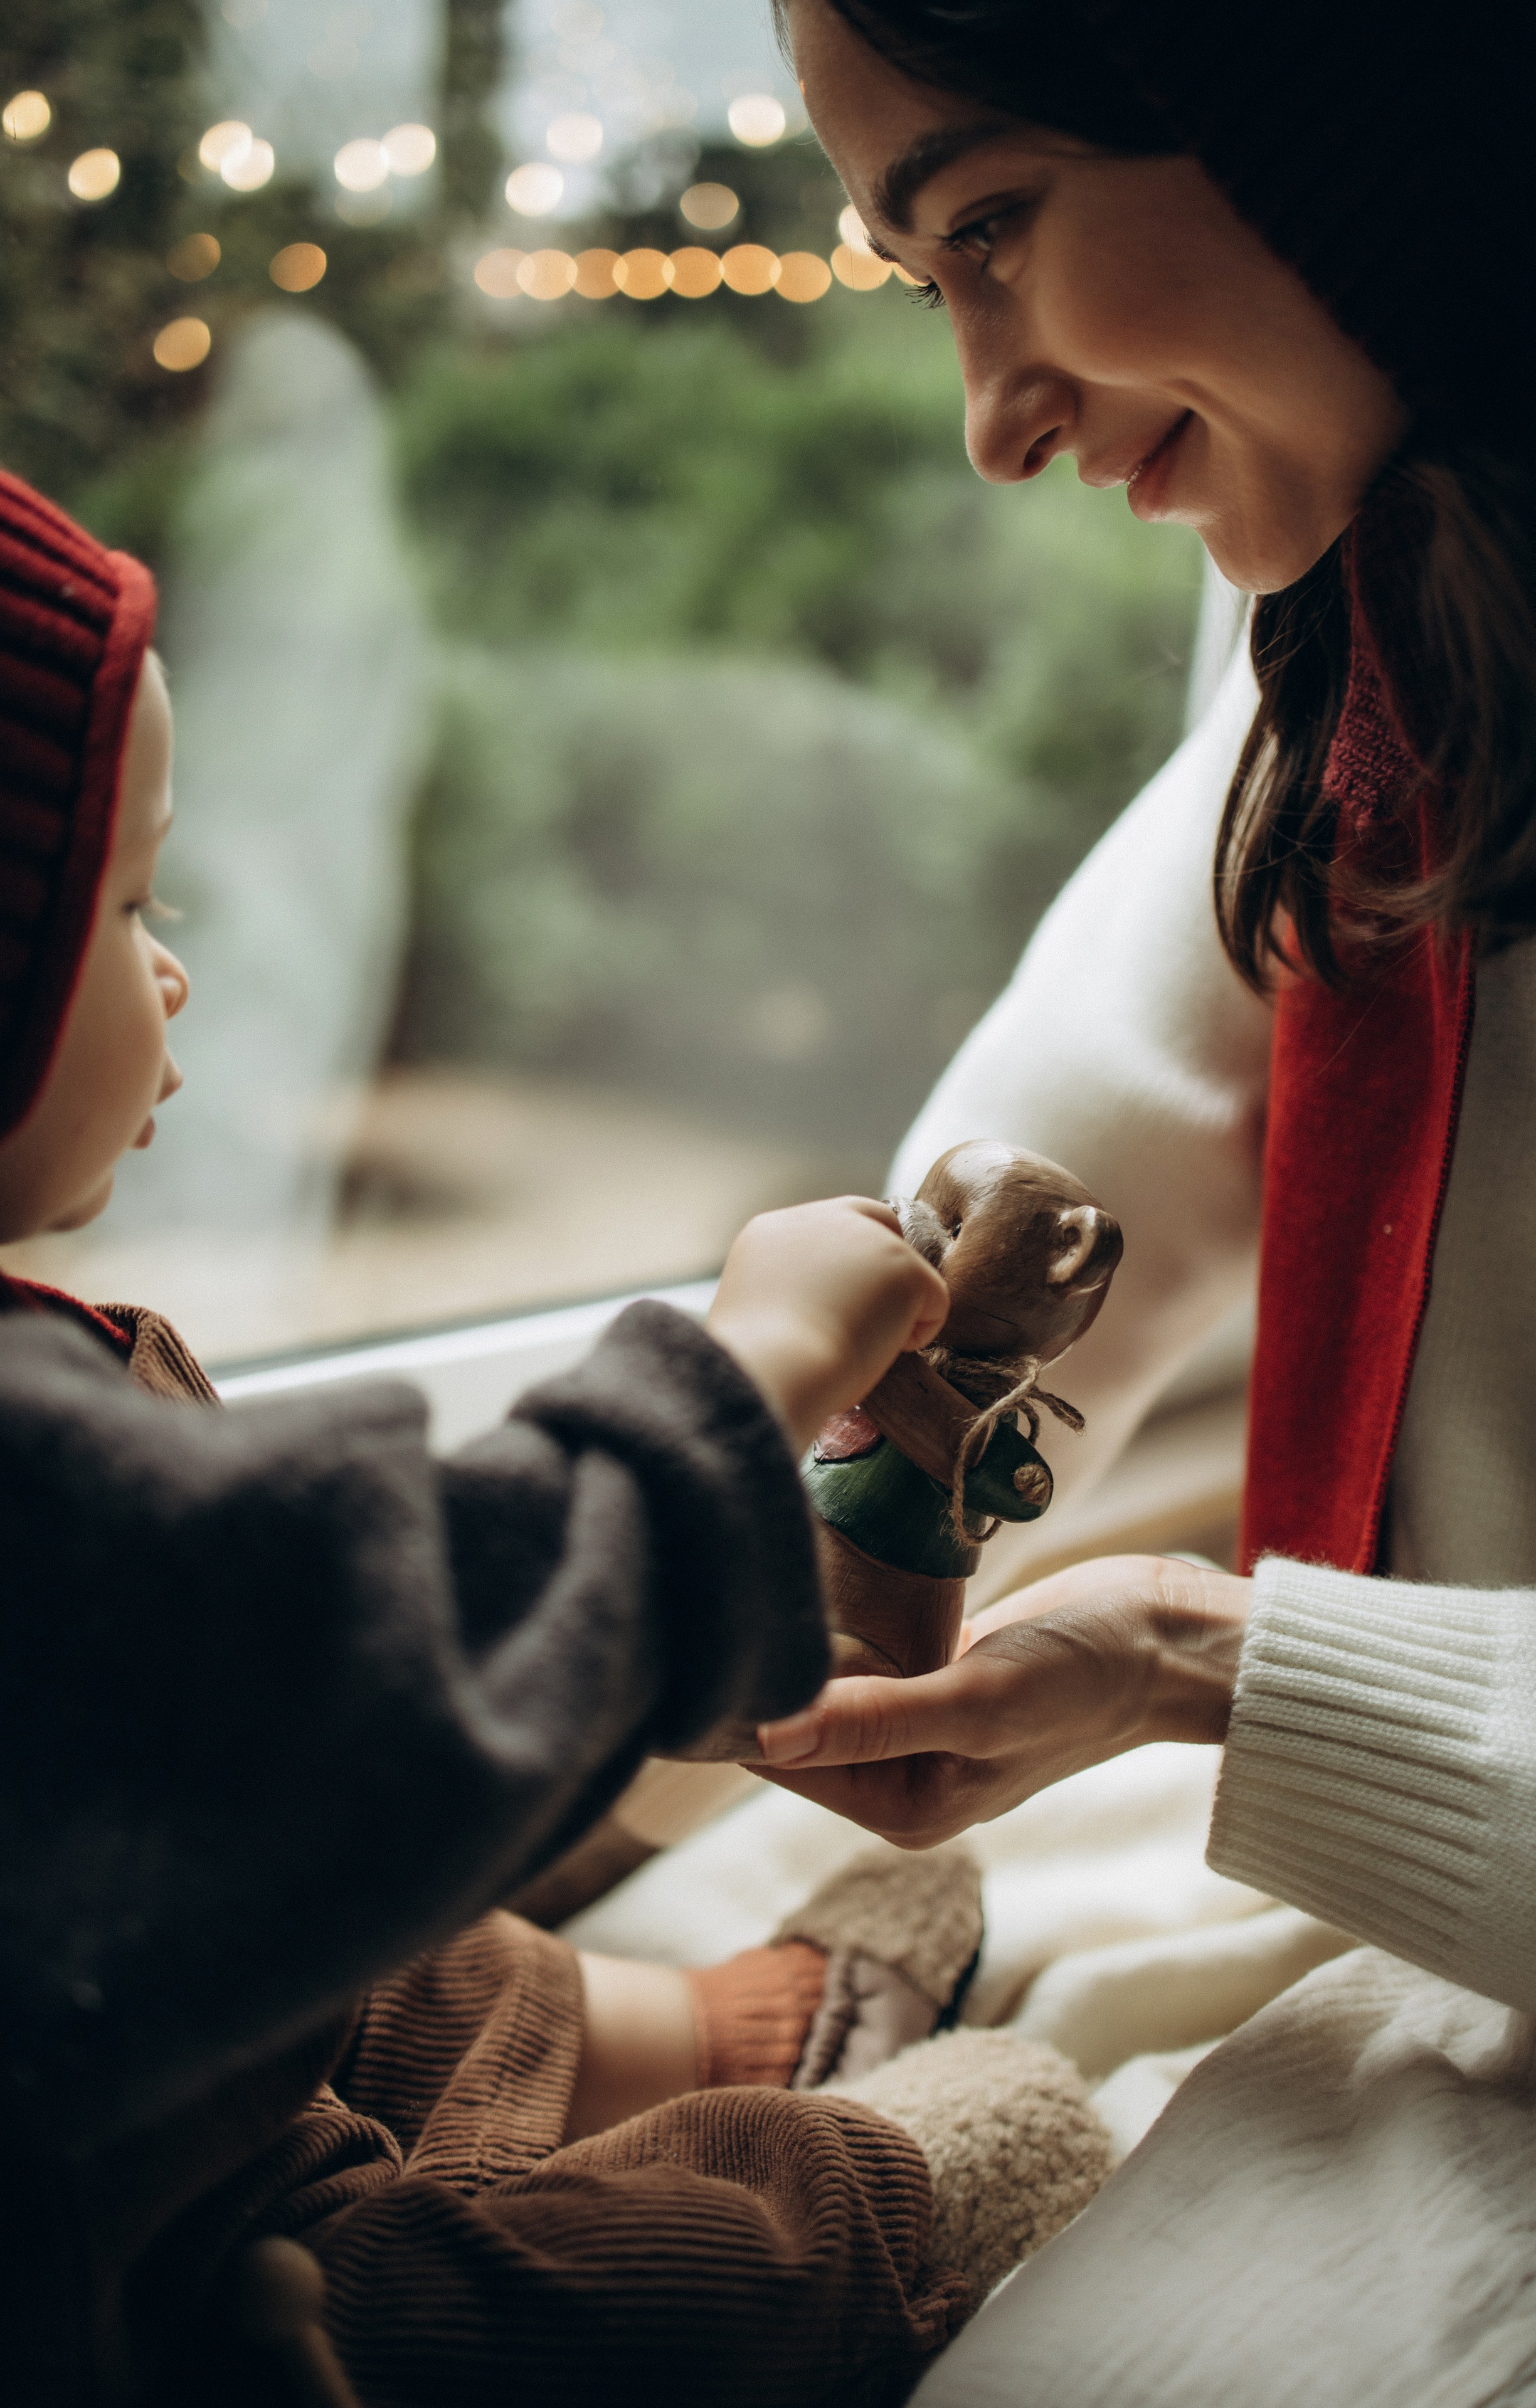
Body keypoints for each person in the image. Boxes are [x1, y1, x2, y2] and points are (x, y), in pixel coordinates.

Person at [0, 439, 1112, 2404]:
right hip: (115, 2279)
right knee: (693, 2260)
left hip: (126, 2053)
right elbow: (389, 1685)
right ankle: (895, 2181)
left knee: (374, 1941)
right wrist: (739, 1370)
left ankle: (671, 2030)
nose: (177, 963)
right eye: (120, 897)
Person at [744, 2, 1536, 2400]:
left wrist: (1219, 1670)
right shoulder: (1380, 654)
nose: (992, 420)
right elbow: (1071, 1152)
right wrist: (848, 1444)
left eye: (994, 225)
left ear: (1343, 108)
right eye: (922, 272)